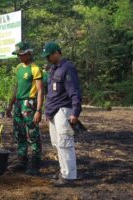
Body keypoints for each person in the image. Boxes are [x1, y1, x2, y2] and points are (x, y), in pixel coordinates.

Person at [42, 42, 82, 186]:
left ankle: (69, 177)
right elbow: (51, 92)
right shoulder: (53, 69)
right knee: (56, 143)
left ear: (56, 53)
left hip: (64, 110)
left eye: (48, 56)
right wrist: (47, 111)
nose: (47, 59)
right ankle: (63, 170)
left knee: (65, 143)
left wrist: (75, 111)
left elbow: (75, 91)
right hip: (53, 111)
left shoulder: (67, 68)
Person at [6, 41, 44, 176]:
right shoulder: (18, 68)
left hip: (29, 104)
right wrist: (10, 104)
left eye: (22, 54)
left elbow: (40, 90)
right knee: (19, 133)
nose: (20, 57)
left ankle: (35, 163)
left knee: (32, 133)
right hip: (18, 104)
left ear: (29, 53)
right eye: (18, 55)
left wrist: (39, 110)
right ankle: (22, 160)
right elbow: (16, 87)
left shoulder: (35, 69)